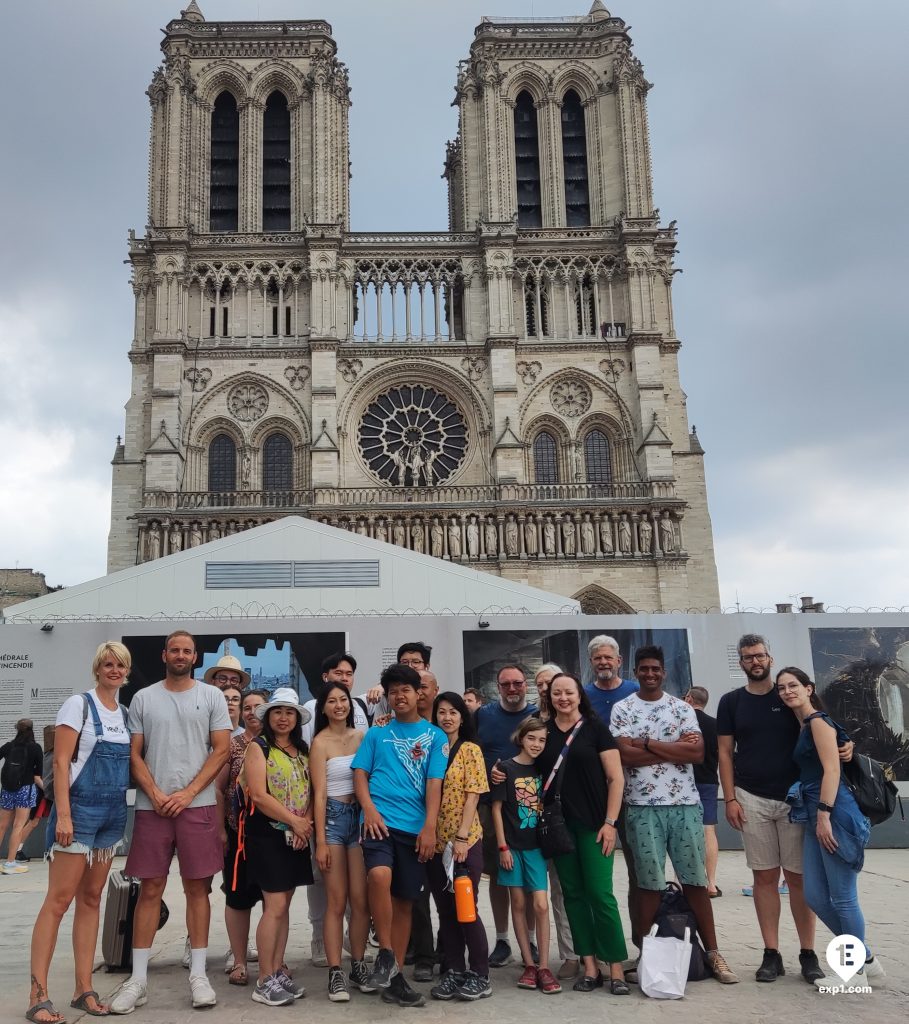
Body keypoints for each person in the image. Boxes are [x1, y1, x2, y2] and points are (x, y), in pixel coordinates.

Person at [110, 630, 232, 1015]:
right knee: (150, 889)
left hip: (196, 806)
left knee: (199, 890)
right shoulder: (144, 697)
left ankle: (198, 974)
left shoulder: (211, 696)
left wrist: (187, 792)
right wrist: (159, 793)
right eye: (174, 649)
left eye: (187, 651)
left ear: (195, 657)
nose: (180, 655)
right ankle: (139, 979)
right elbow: (135, 753)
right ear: (164, 654)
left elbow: (222, 749)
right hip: (152, 807)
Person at [611, 645, 739, 985]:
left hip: (684, 805)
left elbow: (696, 752)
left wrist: (649, 744)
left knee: (696, 882)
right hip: (641, 807)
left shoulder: (681, 708)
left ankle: (713, 953)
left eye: (656, 668)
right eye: (644, 668)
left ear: (663, 672)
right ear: (635, 671)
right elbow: (624, 755)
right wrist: (672, 750)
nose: (650, 673)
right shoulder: (622, 708)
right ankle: (647, 957)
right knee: (647, 885)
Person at [25, 643, 132, 1024]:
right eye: (108, 663)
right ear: (97, 668)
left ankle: (83, 989)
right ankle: (38, 995)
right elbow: (60, 760)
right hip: (79, 813)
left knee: (91, 899)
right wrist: (64, 816)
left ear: (127, 671)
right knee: (58, 901)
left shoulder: (124, 713)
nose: (114, 669)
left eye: (120, 664)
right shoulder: (79, 705)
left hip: (112, 815)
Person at [716, 633, 828, 984]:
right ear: (740, 663)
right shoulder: (731, 702)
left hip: (794, 799)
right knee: (764, 877)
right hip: (752, 798)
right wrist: (730, 798)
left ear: (770, 658)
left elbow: (821, 730)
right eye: (748, 657)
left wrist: (847, 746)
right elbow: (724, 753)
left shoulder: (791, 697)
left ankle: (808, 954)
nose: (755, 661)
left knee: (798, 879)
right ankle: (771, 954)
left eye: (760, 655)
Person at [775, 668, 883, 985]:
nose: (787, 691)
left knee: (844, 897)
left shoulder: (818, 722)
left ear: (809, 688)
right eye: (781, 688)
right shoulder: (804, 725)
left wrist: (824, 815)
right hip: (814, 813)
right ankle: (866, 959)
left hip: (832, 813)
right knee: (815, 896)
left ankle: (854, 972)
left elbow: (831, 770)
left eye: (793, 685)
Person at [352, 663, 447, 1008]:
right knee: (378, 876)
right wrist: (370, 810)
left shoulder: (435, 737)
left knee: (405, 901)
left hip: (415, 828)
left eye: (405, 690)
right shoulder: (377, 734)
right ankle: (387, 953)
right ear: (388, 698)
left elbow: (434, 784)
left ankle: (395, 978)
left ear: (417, 693)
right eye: (393, 692)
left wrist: (430, 827)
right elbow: (359, 775)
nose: (399, 696)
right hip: (378, 823)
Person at [536, 673, 627, 994]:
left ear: (579, 696)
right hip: (559, 828)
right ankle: (589, 966)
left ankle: (615, 967)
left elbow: (616, 779)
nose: (563, 698)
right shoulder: (542, 732)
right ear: (549, 697)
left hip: (594, 825)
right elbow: (525, 765)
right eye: (556, 693)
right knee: (572, 896)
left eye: (568, 693)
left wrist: (610, 823)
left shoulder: (596, 729)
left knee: (601, 895)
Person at [241, 688, 315, 1006]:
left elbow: (312, 792)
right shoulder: (259, 748)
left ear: (297, 718)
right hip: (267, 835)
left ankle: (276, 971)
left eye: (289, 712)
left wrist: (305, 824)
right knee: (274, 908)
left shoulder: (303, 750)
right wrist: (294, 822)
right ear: (268, 717)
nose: (283, 718)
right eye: (277, 712)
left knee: (284, 906)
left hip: (297, 838)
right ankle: (263, 980)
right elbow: (258, 794)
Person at [300, 652, 371, 968]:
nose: (339, 705)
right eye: (332, 701)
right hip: (331, 819)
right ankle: (335, 970)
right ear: (324, 707)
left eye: (344, 700)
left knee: (360, 900)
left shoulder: (363, 737)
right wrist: (322, 843)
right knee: (336, 900)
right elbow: (319, 794)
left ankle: (357, 962)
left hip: (359, 820)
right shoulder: (319, 743)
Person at [426, 692, 491, 1001]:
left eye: (453, 712)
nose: (447, 717)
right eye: (442, 712)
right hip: (436, 844)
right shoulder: (431, 748)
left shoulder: (470, 750)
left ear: (463, 717)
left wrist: (463, 837)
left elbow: (473, 794)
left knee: (466, 909)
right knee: (446, 911)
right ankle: (455, 970)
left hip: (465, 842)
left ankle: (480, 974)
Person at [474, 665, 539, 969]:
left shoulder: (538, 716)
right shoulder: (483, 716)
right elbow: (472, 754)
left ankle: (532, 939)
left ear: (526, 685)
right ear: (497, 687)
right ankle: (502, 939)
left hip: (528, 807)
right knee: (499, 875)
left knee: (528, 878)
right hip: (491, 807)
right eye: (506, 684)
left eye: (517, 683)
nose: (512, 689)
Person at [490, 718, 559, 995]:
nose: (537, 745)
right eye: (532, 739)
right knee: (517, 902)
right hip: (512, 848)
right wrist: (503, 848)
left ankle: (544, 966)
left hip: (536, 848)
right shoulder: (505, 769)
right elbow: (496, 809)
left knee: (540, 905)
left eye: (542, 740)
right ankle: (529, 965)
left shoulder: (545, 768)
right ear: (521, 738)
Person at [583, 634, 642, 950]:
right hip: (594, 793)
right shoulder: (583, 695)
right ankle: (596, 945)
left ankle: (642, 943)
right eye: (597, 658)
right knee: (596, 876)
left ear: (619, 661)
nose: (604, 663)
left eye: (609, 657)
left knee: (638, 871)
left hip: (633, 793)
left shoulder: (634, 691)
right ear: (591, 663)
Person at [216, 688, 267, 986]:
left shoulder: (279, 744)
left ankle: (273, 958)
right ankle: (238, 960)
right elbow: (219, 790)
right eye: (246, 707)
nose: (250, 712)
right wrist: (221, 829)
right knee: (238, 899)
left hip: (273, 837)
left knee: (274, 900)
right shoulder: (232, 746)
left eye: (257, 706)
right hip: (239, 837)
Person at [531, 663, 578, 980]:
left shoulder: (580, 724)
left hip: (573, 815)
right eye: (542, 684)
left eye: (553, 683)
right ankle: (555, 953)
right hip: (539, 817)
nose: (547, 689)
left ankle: (578, 952)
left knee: (569, 889)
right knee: (544, 891)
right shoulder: (534, 725)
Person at [685, 686, 721, 897]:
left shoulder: (681, 722)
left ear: (689, 699)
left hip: (685, 783)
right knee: (708, 832)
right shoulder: (715, 724)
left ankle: (687, 880)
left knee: (685, 832)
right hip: (709, 782)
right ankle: (712, 884)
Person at [0, 718, 43, 875]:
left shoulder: (9, 746)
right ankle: (10, 863)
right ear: (32, 730)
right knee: (18, 826)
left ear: (17, 729)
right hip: (25, 790)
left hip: (7, 789)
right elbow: (38, 776)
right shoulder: (35, 748)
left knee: (2, 826)